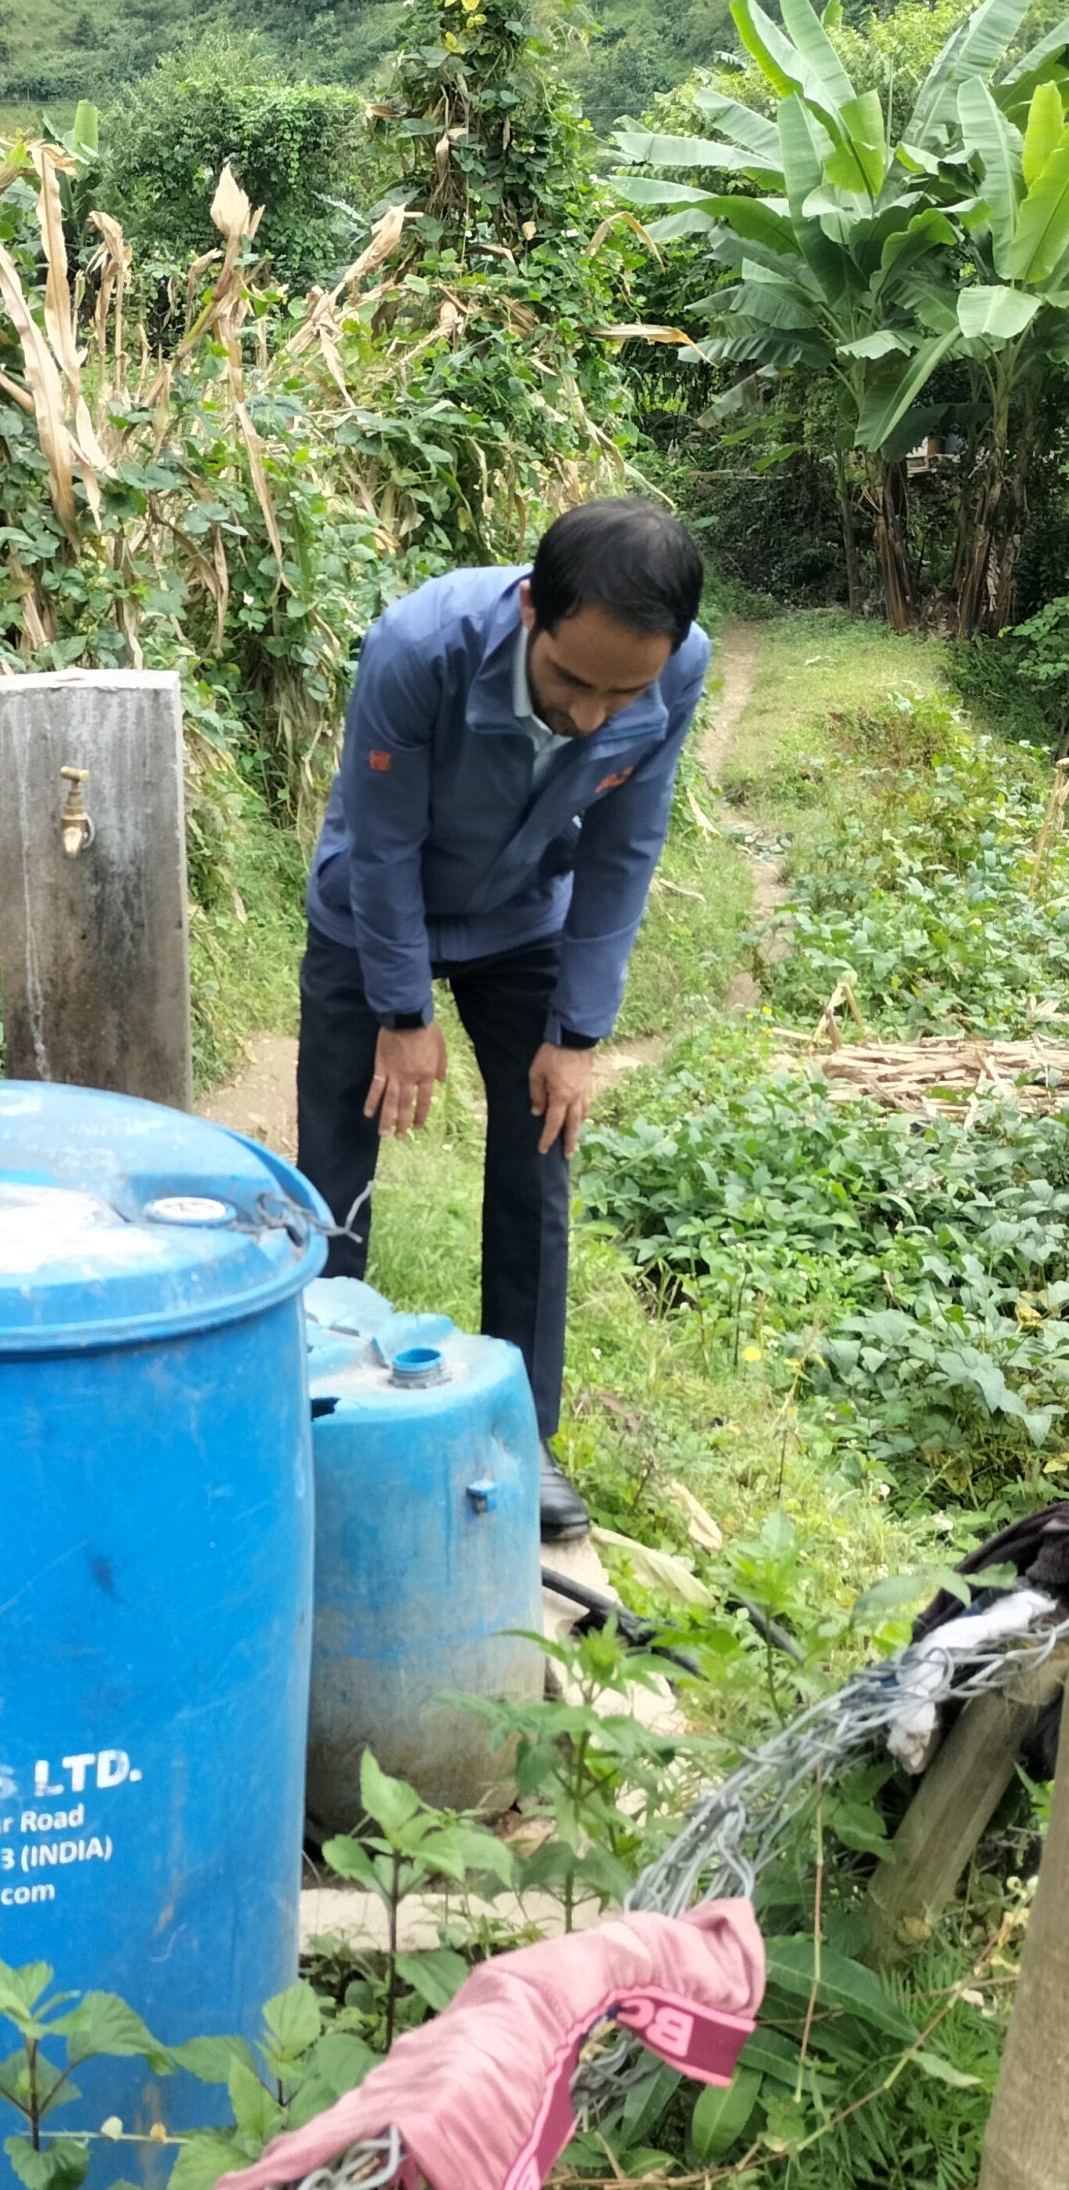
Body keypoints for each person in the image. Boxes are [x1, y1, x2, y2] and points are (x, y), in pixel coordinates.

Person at [293, 499, 709, 1542]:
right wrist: (402, 1007)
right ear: (530, 607)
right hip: (371, 919)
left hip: (525, 916)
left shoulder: (678, 665)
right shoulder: (418, 648)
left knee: (541, 1154)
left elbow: (624, 845)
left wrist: (577, 1037)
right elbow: (380, 841)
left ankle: (522, 1430)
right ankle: (317, 1407)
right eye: (572, 681)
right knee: (336, 1159)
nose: (591, 717)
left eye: (626, 693)